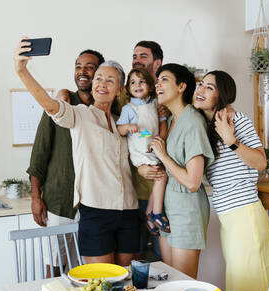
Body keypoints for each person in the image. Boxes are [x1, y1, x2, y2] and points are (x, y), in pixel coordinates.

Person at [15, 39, 139, 266]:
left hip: (129, 211)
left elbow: (144, 141)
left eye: (110, 80)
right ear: (93, 85)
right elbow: (50, 106)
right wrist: (21, 70)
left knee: (126, 282)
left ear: (119, 89)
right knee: (103, 283)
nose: (102, 83)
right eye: (99, 78)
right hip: (97, 212)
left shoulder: (121, 121)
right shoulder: (81, 115)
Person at [194, 70, 269, 291]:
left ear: (223, 95)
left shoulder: (236, 120)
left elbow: (261, 162)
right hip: (230, 217)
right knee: (241, 287)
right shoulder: (208, 126)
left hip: (245, 214)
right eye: (201, 84)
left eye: (210, 87)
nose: (201, 90)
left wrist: (231, 141)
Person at [26, 49, 104, 275]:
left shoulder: (107, 109)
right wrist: (35, 197)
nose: (83, 72)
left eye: (90, 67)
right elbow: (39, 153)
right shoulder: (60, 105)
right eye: (79, 66)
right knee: (55, 267)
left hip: (95, 204)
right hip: (59, 200)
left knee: (90, 270)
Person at [149, 63, 214, 279]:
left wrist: (163, 155)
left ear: (181, 86)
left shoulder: (193, 122)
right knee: (170, 281)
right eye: (157, 80)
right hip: (168, 208)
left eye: (164, 79)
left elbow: (193, 181)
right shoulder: (169, 120)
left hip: (187, 210)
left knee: (183, 284)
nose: (157, 84)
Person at [116, 67, 169, 235]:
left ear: (151, 86)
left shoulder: (155, 104)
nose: (137, 85)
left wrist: (159, 136)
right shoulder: (129, 108)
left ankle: (149, 215)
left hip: (152, 145)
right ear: (127, 88)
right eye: (133, 82)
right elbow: (119, 130)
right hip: (140, 152)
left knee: (158, 179)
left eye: (142, 81)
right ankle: (156, 212)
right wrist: (128, 127)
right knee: (161, 177)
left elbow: (154, 129)